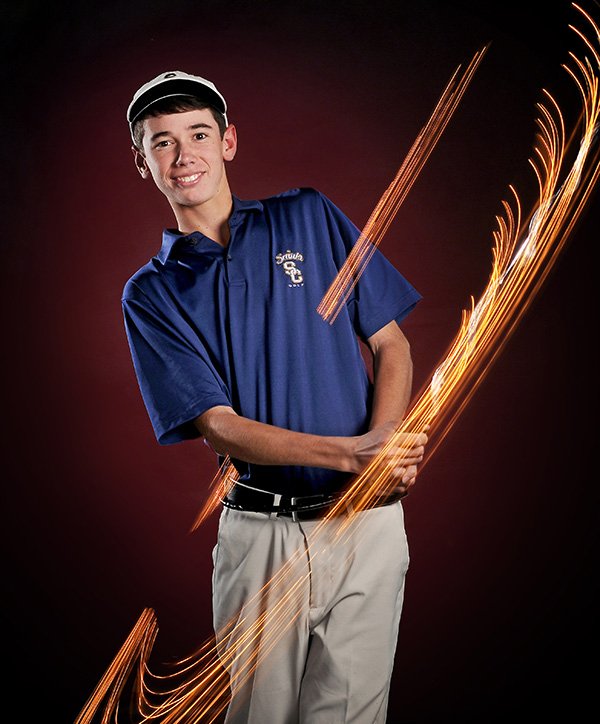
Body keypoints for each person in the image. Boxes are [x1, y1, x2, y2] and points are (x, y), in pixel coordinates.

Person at [122, 70, 428, 724]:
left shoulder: (309, 216)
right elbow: (220, 425)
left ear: (228, 141)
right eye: (163, 143)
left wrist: (386, 447)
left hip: (366, 528)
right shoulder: (150, 293)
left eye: (198, 134)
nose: (184, 156)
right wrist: (357, 454)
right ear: (142, 162)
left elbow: (391, 343)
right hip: (262, 539)